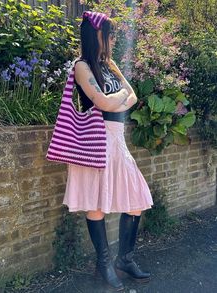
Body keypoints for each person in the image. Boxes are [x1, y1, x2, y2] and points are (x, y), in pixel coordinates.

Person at [62, 11, 154, 291]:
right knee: (97, 205)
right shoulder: (82, 66)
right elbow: (100, 102)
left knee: (136, 199)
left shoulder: (110, 65)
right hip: (96, 142)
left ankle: (124, 259)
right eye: (110, 34)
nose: (114, 40)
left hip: (118, 142)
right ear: (96, 36)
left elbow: (133, 95)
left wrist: (115, 101)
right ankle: (104, 263)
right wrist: (117, 100)